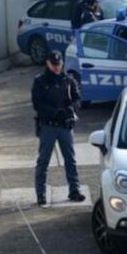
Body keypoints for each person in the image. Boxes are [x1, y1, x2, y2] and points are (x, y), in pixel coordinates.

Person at [31, 50, 85, 206]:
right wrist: (55, 113)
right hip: (48, 125)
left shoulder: (68, 80)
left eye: (59, 64)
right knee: (43, 161)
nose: (56, 68)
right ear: (47, 63)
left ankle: (75, 190)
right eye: (53, 64)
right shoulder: (40, 81)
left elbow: (77, 99)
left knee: (70, 160)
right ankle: (41, 194)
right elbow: (37, 104)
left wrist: (71, 109)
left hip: (65, 126)